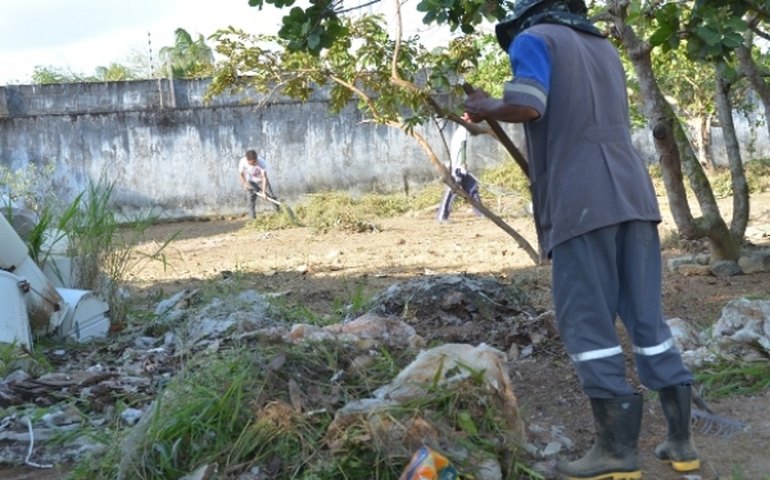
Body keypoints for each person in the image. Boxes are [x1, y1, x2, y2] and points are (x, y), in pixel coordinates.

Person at [463, 1, 699, 478]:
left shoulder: (535, 40)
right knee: (646, 318)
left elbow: (530, 104)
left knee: (587, 321)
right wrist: (498, 115)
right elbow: (567, 118)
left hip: (581, 199)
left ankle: (615, 452)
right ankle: (681, 444)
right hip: (632, 193)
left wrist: (487, 105)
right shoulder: (601, 47)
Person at [437, 115, 483, 222]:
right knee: (452, 189)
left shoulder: (461, 131)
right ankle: (442, 216)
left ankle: (481, 213)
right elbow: (462, 148)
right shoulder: (463, 131)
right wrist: (462, 164)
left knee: (472, 188)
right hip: (458, 167)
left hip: (459, 167)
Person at [238, 149, 279, 218]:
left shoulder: (261, 162)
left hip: (261, 181)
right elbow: (241, 174)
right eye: (252, 163)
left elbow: (264, 177)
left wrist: (263, 192)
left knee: (272, 197)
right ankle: (253, 221)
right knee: (250, 202)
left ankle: (280, 215)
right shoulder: (242, 162)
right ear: (247, 160)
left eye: (255, 162)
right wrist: (244, 183)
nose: (254, 164)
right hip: (250, 182)